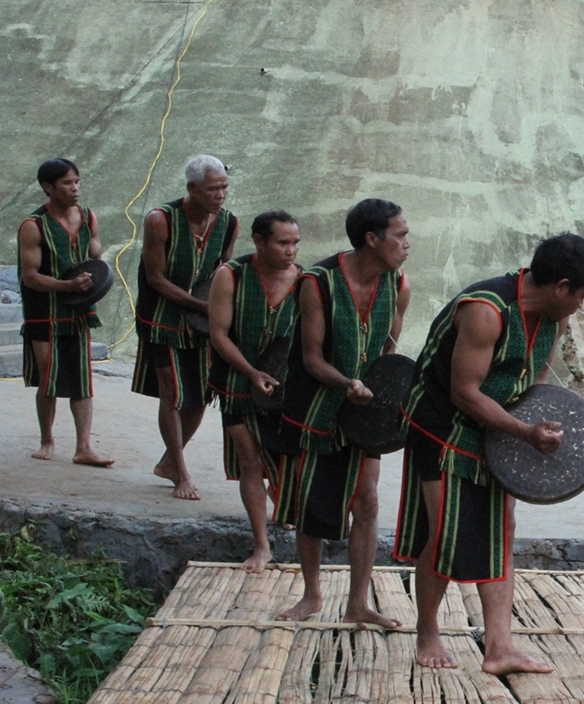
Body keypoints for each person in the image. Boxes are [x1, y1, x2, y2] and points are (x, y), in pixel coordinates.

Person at [396, 233, 584, 673]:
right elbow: (464, 393)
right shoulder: (486, 312)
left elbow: (534, 375)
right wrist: (526, 433)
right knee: (444, 533)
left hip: (499, 424)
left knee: (503, 527)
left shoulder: (554, 317)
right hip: (442, 425)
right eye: (582, 296)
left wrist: (542, 424)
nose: (581, 306)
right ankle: (428, 634)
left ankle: (500, 648)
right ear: (562, 287)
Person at [274, 199, 411, 626]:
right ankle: (312, 595)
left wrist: (383, 391)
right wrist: (347, 383)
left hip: (366, 410)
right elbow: (311, 358)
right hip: (316, 404)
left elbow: (388, 349)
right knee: (312, 503)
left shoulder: (398, 284)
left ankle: (357, 603)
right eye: (400, 235)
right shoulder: (317, 282)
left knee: (367, 500)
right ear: (371, 239)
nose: (408, 243)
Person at [132, 155, 238, 501]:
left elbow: (223, 273)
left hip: (202, 323)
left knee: (200, 394)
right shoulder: (160, 220)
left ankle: (168, 462)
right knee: (172, 392)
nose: (220, 194)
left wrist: (219, 311)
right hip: (161, 317)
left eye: (224, 186)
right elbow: (156, 279)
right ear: (192, 189)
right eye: (212, 188)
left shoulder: (228, 223)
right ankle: (180, 470)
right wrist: (202, 306)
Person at [207, 210, 301, 574]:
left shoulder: (306, 281)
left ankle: (284, 505)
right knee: (250, 460)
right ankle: (261, 544)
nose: (290, 250)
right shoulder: (230, 275)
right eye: (282, 242)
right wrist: (250, 371)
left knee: (287, 457)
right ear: (259, 242)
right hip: (235, 382)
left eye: (295, 243)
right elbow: (218, 334)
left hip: (283, 387)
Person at [17, 159, 114, 469]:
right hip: (43, 310)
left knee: (82, 378)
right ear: (48, 187)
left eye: (77, 182)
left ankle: (84, 447)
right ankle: (47, 440)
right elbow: (30, 276)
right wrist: (67, 285)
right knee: (50, 376)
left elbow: (96, 257)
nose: (75, 188)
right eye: (67, 183)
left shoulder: (88, 218)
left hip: (78, 309)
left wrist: (91, 277)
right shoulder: (33, 226)